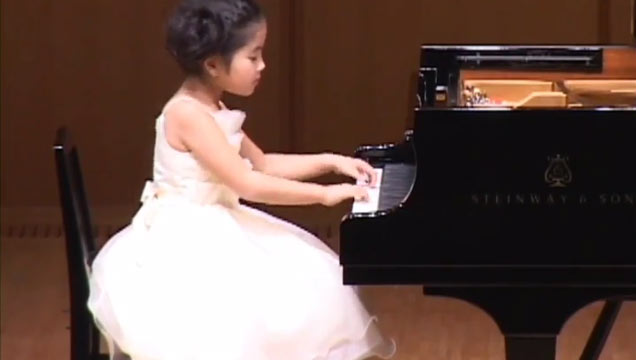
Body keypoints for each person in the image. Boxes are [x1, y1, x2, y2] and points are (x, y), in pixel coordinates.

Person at [87, 0, 397, 359]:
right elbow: (248, 184)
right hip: (184, 234)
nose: (262, 66)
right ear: (214, 65)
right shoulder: (187, 114)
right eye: (253, 57)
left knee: (311, 278)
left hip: (216, 217)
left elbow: (262, 163)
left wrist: (333, 161)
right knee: (268, 301)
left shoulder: (212, 105)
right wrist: (326, 196)